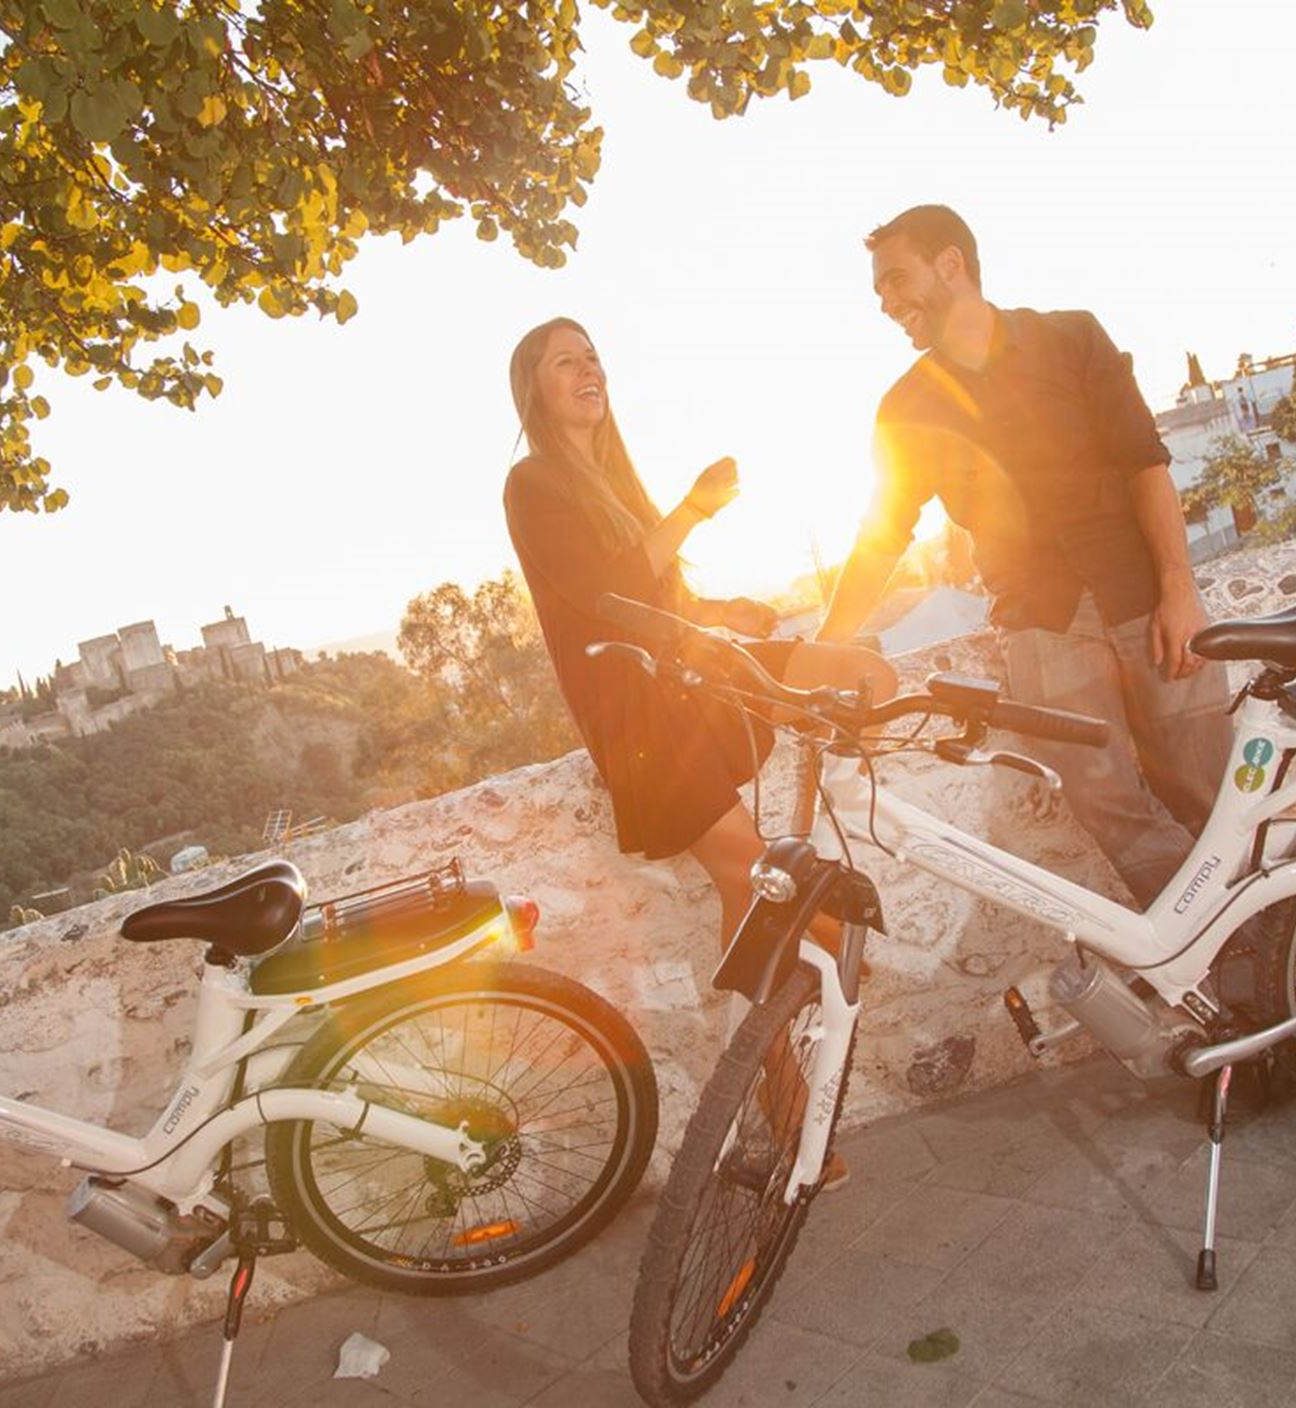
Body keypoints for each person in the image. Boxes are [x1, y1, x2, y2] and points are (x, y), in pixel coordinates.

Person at [504, 317, 893, 1183]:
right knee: (782, 900)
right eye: (567, 362)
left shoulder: (612, 478)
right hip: (643, 724)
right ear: (535, 390)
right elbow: (609, 595)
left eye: (595, 354)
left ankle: (784, 1117)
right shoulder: (532, 483)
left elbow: (662, 596)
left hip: (690, 688)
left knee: (862, 672)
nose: (589, 369)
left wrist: (726, 615)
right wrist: (690, 509)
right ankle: (781, 1103)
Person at [817, 205, 1232, 917]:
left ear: (952, 264)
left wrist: (1179, 591)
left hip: (1146, 604)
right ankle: (1223, 961)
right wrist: (824, 645)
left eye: (896, 280)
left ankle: (1279, 953)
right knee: (1115, 817)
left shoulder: (1073, 338)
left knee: (1213, 796)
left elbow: (1146, 465)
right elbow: (882, 535)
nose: (887, 304)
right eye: (879, 292)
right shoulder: (906, 407)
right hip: (1040, 631)